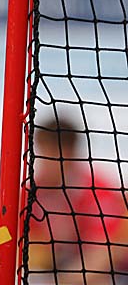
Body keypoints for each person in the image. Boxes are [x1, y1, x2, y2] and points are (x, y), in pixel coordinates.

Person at [28, 116, 128, 283]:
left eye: (49, 154)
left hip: (112, 274)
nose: (42, 162)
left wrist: (61, 280)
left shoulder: (97, 190)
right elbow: (28, 248)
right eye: (40, 153)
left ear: (68, 154)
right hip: (63, 268)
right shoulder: (33, 193)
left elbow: (106, 255)